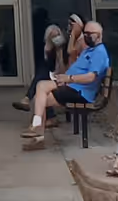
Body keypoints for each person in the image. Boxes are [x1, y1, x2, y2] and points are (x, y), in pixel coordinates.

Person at [22, 16, 110, 147]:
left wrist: (68, 78)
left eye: (88, 34)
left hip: (80, 91)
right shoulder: (90, 50)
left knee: (41, 88)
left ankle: (36, 128)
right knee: (39, 99)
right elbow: (71, 53)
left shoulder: (99, 53)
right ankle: (38, 135)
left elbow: (91, 77)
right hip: (71, 85)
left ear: (98, 35)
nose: (86, 36)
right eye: (84, 33)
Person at [13, 21, 66, 112]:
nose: (56, 39)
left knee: (41, 76)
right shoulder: (47, 49)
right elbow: (49, 66)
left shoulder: (64, 49)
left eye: (57, 36)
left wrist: (60, 53)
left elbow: (62, 69)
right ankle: (49, 117)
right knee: (41, 74)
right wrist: (49, 48)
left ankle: (27, 98)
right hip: (50, 76)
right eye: (52, 37)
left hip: (63, 76)